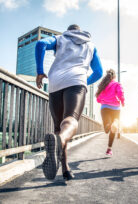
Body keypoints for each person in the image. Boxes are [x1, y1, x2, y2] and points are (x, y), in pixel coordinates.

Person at [35, 24, 103, 180]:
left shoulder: (61, 38)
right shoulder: (90, 45)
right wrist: (84, 80)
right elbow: (99, 72)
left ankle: (65, 169)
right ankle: (59, 141)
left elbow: (41, 44)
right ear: (80, 31)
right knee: (71, 120)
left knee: (59, 126)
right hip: (76, 82)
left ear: (68, 30)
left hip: (55, 83)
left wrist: (40, 71)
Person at [96, 69, 125, 156]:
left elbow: (98, 98)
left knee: (107, 129)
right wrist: (122, 101)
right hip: (116, 108)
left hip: (105, 108)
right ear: (115, 76)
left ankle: (110, 125)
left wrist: (102, 100)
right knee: (113, 129)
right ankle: (109, 149)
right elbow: (120, 93)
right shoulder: (117, 84)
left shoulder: (102, 85)